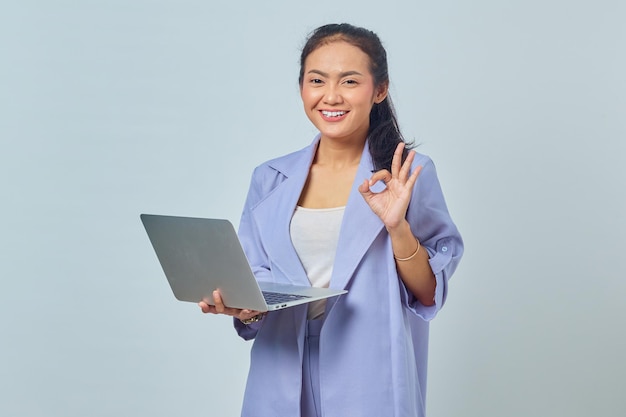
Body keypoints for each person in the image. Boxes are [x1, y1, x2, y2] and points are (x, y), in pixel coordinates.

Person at [199, 23, 463, 417]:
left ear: (380, 90)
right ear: (302, 87)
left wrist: (397, 226)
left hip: (369, 369)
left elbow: (427, 294)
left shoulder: (406, 174)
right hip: (281, 362)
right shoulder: (269, 178)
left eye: (350, 81)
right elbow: (258, 282)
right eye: (317, 80)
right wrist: (240, 305)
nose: (331, 96)